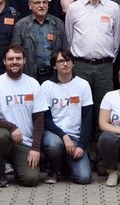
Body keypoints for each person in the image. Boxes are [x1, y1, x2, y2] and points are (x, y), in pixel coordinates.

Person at [0, 45, 42, 187]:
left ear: (24, 60)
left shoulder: (33, 84)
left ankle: (17, 168)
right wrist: (12, 127)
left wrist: (36, 148)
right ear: (4, 61)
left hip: (25, 141)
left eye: (18, 58)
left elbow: (39, 118)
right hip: (5, 137)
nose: (14, 62)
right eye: (10, 59)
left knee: (31, 179)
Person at [36, 49, 94, 185]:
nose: (65, 64)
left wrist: (81, 145)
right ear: (54, 66)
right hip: (54, 135)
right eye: (61, 61)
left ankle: (66, 164)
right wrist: (64, 136)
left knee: (84, 178)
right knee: (53, 145)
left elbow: (87, 119)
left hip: (75, 137)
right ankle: (54, 169)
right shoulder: (47, 86)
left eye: (68, 60)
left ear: (73, 64)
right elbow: (47, 119)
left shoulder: (83, 85)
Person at [65, 0, 120, 108]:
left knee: (103, 107)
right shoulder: (74, 8)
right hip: (80, 66)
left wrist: (108, 59)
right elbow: (69, 37)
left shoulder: (113, 8)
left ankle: (102, 131)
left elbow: (116, 38)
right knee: (79, 105)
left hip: (105, 67)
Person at [11, 0, 67, 83]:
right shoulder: (20, 26)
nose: (42, 6)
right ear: (30, 5)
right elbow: (16, 54)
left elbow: (65, 51)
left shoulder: (58, 24)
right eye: (37, 3)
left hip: (54, 75)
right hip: (30, 77)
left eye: (44, 2)